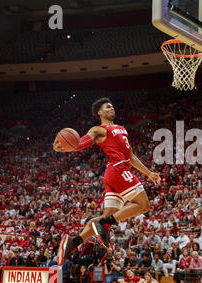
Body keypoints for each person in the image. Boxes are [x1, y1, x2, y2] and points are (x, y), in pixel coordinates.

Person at [55, 97, 161, 265]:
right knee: (143, 205)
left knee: (106, 216)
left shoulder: (122, 129)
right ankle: (104, 224)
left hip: (114, 172)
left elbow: (131, 156)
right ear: (100, 112)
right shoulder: (99, 129)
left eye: (112, 106)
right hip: (118, 170)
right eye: (108, 107)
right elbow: (81, 143)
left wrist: (148, 173)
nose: (112, 108)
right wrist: (66, 146)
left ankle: (73, 243)